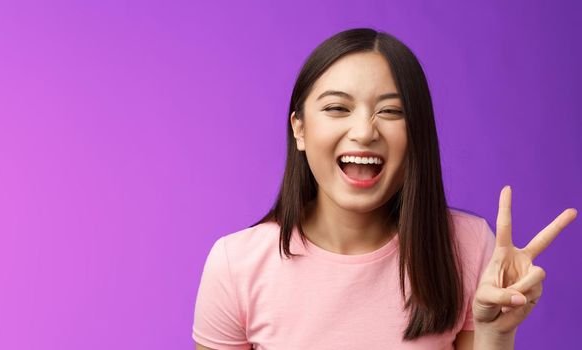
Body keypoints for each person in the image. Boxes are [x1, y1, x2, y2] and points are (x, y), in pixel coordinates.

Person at [191, 27, 577, 350]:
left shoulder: (469, 247)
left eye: (391, 111)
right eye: (337, 108)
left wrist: (496, 333)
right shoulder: (235, 264)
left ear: (418, 134)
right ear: (300, 129)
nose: (364, 132)